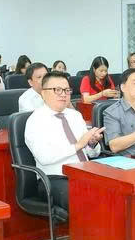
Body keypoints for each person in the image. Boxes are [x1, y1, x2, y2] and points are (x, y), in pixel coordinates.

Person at [25, 71, 103, 218]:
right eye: (57, 90)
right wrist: (78, 145)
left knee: (115, 191)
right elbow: (44, 158)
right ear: (43, 93)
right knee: (84, 200)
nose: (63, 94)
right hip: (54, 178)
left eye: (67, 90)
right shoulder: (36, 121)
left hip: (85, 172)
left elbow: (92, 154)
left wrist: (92, 143)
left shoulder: (75, 116)